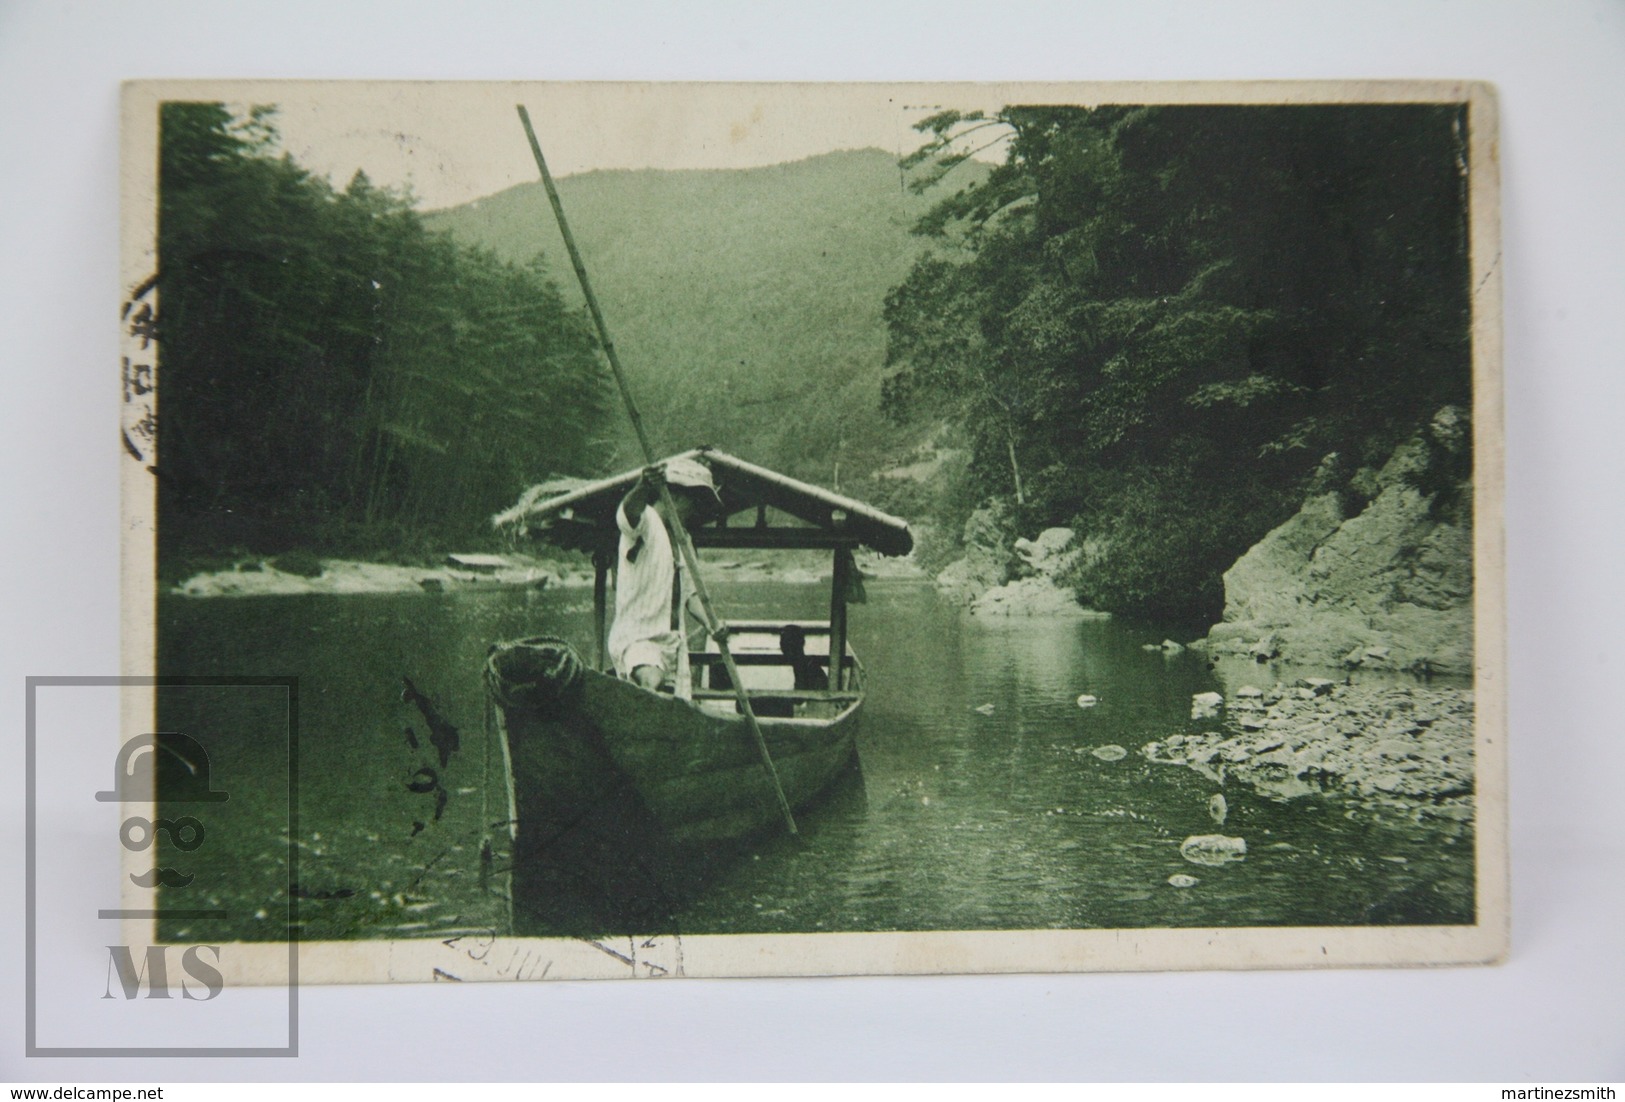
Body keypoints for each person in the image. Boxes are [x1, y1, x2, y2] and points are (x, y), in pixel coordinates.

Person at [607, 457, 723, 691]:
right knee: (651, 680)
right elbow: (627, 514)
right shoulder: (645, 521)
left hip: (673, 646)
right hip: (638, 640)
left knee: (675, 709)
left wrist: (713, 624)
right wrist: (644, 485)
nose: (696, 512)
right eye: (695, 504)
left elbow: (690, 596)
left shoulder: (684, 541)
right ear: (676, 497)